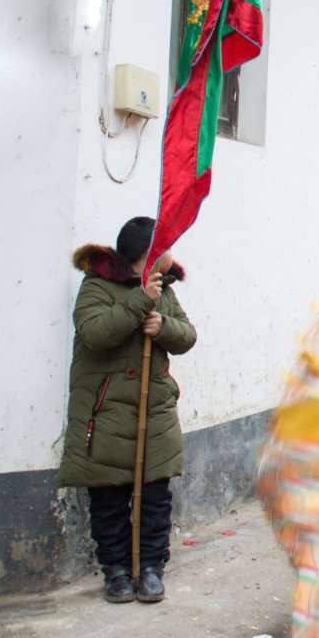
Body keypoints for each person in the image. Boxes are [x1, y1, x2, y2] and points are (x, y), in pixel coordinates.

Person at [58, 217, 197, 604]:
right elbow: (95, 334)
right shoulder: (97, 285)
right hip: (106, 411)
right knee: (109, 497)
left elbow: (187, 335)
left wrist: (163, 325)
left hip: (154, 409)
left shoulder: (163, 288)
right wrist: (140, 303)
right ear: (145, 255)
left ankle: (151, 568)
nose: (171, 254)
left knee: (155, 495)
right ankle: (117, 571)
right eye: (165, 246)